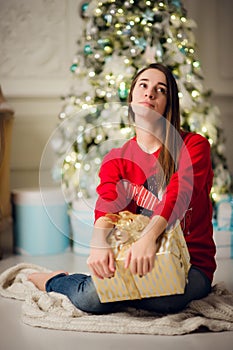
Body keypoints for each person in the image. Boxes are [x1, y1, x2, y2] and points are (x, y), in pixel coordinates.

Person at [28, 63, 216, 314]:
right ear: (131, 98)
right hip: (137, 258)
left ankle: (115, 291)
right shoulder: (117, 158)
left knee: (165, 300)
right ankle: (56, 280)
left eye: (161, 90)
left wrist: (149, 237)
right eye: (143, 86)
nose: (150, 93)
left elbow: (180, 192)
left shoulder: (194, 145)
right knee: (90, 300)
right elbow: (107, 206)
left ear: (169, 104)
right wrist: (98, 243)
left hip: (192, 264)